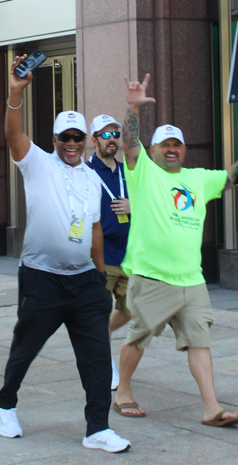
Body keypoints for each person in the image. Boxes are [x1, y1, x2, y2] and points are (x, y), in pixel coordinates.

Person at [0, 55, 130, 453]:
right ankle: (4, 402)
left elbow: (93, 230)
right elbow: (13, 134)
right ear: (54, 141)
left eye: (77, 138)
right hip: (42, 277)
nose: (71, 144)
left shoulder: (91, 179)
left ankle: (97, 429)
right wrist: (16, 93)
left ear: (86, 140)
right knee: (26, 348)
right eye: (64, 138)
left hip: (85, 279)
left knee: (96, 357)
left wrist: (101, 277)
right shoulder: (37, 164)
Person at [114, 74, 238, 424]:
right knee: (138, 338)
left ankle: (212, 407)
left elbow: (231, 176)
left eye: (177, 144)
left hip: (191, 281)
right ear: (153, 150)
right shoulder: (143, 172)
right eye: (165, 144)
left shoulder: (198, 178)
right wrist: (133, 107)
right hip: (151, 276)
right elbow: (129, 143)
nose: (171, 149)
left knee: (200, 342)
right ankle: (123, 390)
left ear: (184, 149)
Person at [87, 114, 132, 390]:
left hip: (129, 254)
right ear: (94, 141)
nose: (112, 139)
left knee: (131, 310)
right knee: (100, 312)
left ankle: (100, 335)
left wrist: (133, 206)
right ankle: (108, 365)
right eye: (105, 135)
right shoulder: (86, 172)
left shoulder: (128, 170)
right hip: (101, 256)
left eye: (115, 133)